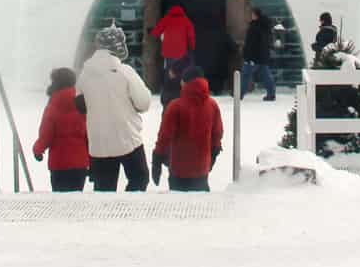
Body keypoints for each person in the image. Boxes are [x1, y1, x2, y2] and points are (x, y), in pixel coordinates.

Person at [77, 23, 154, 192]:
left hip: (98, 140)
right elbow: (143, 102)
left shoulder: (84, 73)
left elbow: (80, 105)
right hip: (127, 136)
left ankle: (106, 215)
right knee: (139, 179)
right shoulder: (124, 71)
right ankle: (127, 211)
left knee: (104, 188)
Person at [154, 65, 224, 192]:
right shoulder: (212, 105)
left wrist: (157, 158)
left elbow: (164, 136)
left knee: (178, 205)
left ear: (184, 82)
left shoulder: (175, 106)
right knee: (201, 205)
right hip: (202, 168)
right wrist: (213, 153)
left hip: (179, 169)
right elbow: (217, 134)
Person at [32, 67, 90, 192]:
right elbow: (89, 132)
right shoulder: (83, 101)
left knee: (60, 203)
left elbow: (46, 134)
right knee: (76, 200)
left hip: (59, 163)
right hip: (80, 163)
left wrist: (37, 150)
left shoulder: (53, 104)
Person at [241, 8, 277, 101]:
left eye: (251, 14)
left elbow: (250, 44)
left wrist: (247, 56)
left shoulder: (254, 27)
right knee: (266, 75)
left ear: (255, 15)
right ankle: (271, 93)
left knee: (245, 75)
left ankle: (239, 94)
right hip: (263, 56)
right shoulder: (266, 26)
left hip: (253, 57)